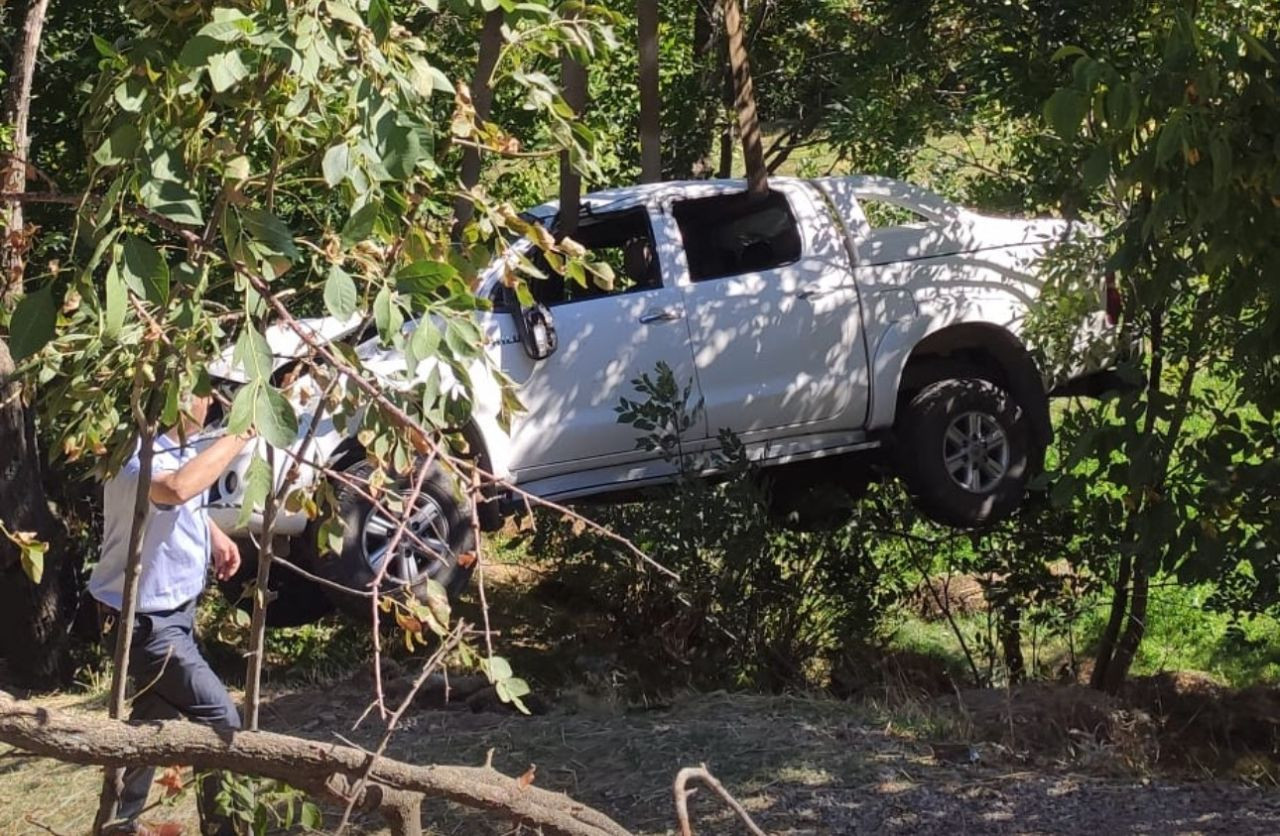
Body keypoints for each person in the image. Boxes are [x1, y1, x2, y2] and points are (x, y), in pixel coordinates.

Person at [90, 390, 253, 836]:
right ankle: (228, 829)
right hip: (144, 625)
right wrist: (243, 431)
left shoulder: (169, 447)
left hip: (172, 613)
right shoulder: (134, 459)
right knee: (221, 722)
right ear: (170, 399)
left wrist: (213, 533)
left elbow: (182, 497)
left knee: (152, 724)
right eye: (196, 392)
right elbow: (176, 487)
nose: (207, 402)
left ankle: (120, 823)